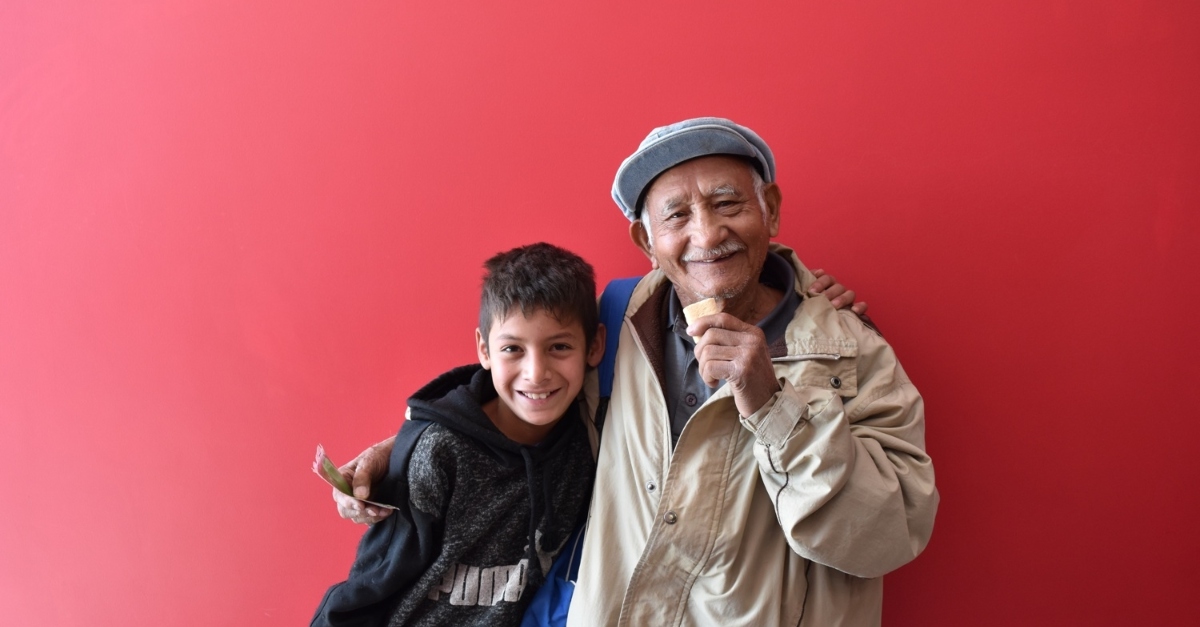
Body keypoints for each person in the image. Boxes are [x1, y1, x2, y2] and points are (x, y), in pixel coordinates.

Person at [335, 117, 937, 626]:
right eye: (677, 216)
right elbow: (529, 391)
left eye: (728, 203)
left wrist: (774, 408)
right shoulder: (618, 318)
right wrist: (405, 449)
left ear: (770, 209)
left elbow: (885, 537)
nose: (708, 233)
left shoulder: (853, 352)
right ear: (646, 241)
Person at [311, 243, 605, 627]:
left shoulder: (588, 446)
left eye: (559, 347)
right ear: (484, 349)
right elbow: (372, 583)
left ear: (594, 346)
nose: (536, 372)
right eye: (512, 348)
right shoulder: (439, 452)